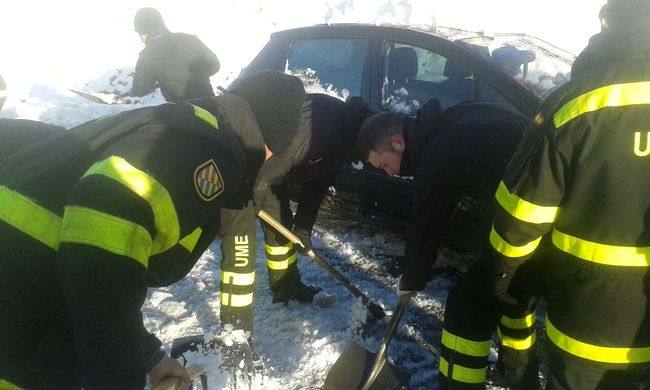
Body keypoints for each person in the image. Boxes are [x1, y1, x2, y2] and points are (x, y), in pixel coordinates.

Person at [0, 71, 304, 389]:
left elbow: (102, 279)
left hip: (35, 297)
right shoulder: (211, 149)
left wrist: (149, 356)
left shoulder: (183, 126)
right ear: (272, 140)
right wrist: (118, 376)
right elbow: (99, 245)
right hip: (22, 318)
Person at [487, 0, 650, 388]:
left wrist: (505, 281)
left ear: (608, 23)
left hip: (587, 325)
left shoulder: (576, 104)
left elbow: (518, 221)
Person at [356, 99, 534, 388]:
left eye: (385, 164)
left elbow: (427, 225)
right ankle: (518, 374)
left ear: (398, 142)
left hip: (537, 212)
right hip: (544, 205)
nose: (389, 173)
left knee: (464, 307)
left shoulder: (436, 154)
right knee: (514, 295)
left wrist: (411, 278)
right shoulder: (451, 119)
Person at [254, 93, 374, 304]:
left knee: (283, 228)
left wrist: (303, 228)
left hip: (282, 169)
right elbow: (279, 158)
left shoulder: (346, 144)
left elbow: (316, 185)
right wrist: (254, 194)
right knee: (270, 225)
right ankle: (277, 292)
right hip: (263, 161)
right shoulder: (324, 121)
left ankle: (287, 286)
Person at [119, 7, 220, 103]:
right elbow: (215, 65)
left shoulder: (147, 55)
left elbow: (140, 89)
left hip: (186, 114)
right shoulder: (190, 39)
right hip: (213, 108)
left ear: (144, 33)